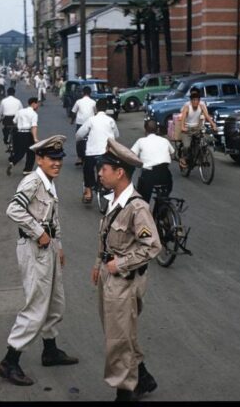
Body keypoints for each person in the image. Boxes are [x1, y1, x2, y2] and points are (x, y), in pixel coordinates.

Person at [0, 135, 78, 386]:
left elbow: (52, 219)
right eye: (52, 159)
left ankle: (50, 350)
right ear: (40, 159)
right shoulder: (32, 181)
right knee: (36, 306)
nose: (57, 163)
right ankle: (10, 361)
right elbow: (14, 209)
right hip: (34, 248)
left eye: (59, 159)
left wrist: (58, 244)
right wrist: (39, 233)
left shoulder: (49, 182)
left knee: (56, 302)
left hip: (47, 247)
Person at [90, 138, 161, 401]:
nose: (99, 173)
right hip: (110, 278)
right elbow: (107, 236)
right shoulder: (115, 200)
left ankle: (125, 392)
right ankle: (143, 378)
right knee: (120, 332)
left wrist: (118, 264)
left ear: (119, 172)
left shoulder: (136, 206)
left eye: (104, 169)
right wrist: (99, 264)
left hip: (125, 281)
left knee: (118, 339)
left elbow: (152, 246)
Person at [75, 98, 119, 203]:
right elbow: (117, 135)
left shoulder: (91, 120)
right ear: (107, 109)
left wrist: (79, 139)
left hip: (92, 152)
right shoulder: (110, 120)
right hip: (107, 152)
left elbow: (79, 134)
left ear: (96, 108)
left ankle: (89, 192)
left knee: (88, 170)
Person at [131, 119, 175, 203]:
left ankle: (145, 212)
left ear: (145, 130)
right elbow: (172, 154)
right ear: (157, 130)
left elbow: (131, 155)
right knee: (164, 196)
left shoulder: (141, 141)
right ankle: (162, 208)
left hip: (149, 175)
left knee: (143, 201)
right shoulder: (165, 140)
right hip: (165, 174)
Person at [178, 88, 217, 168]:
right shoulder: (187, 107)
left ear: (199, 100)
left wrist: (213, 124)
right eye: (194, 100)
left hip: (197, 128)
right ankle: (183, 158)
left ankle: (199, 157)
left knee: (202, 142)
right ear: (191, 101)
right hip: (187, 129)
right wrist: (182, 127)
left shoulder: (202, 106)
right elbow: (183, 117)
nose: (196, 102)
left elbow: (207, 116)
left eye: (197, 100)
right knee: (186, 146)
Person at [7, 97, 40, 176]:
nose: (38, 106)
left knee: (20, 152)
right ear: (33, 104)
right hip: (27, 134)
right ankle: (27, 170)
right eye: (37, 104)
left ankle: (12, 162)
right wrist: (35, 138)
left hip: (18, 134)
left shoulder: (20, 111)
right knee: (31, 152)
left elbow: (14, 121)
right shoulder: (34, 114)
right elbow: (34, 127)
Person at [71, 86, 97, 167]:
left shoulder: (78, 101)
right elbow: (96, 113)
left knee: (79, 140)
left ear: (82, 93)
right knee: (91, 139)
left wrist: (72, 121)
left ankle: (79, 157)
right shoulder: (93, 102)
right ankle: (91, 155)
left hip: (80, 123)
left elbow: (73, 112)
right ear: (90, 93)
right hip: (91, 123)